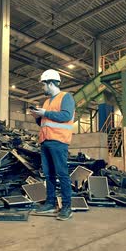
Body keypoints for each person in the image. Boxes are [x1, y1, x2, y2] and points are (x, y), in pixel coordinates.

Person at [29, 69, 75, 221]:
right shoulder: (46, 102)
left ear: (50, 83)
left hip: (58, 141)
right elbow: (45, 122)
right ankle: (50, 203)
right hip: (45, 141)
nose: (43, 88)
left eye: (44, 84)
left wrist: (45, 113)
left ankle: (67, 206)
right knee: (49, 174)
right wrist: (37, 116)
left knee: (62, 174)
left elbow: (66, 116)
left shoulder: (66, 97)